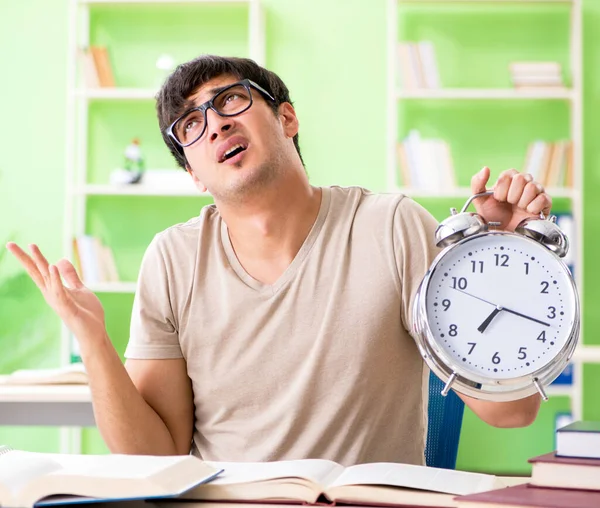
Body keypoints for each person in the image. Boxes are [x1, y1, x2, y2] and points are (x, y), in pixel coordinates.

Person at [7, 55, 551, 466]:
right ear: (193, 174)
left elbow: (512, 411)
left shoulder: (393, 226)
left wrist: (501, 260)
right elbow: (156, 456)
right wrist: (93, 339)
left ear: (286, 118)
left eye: (229, 101)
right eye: (190, 126)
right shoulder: (172, 260)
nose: (214, 124)